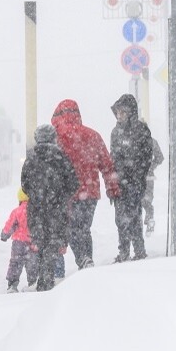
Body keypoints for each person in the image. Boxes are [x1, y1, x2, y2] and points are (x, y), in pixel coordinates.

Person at [51, 99, 120, 271]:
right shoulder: (93, 135)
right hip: (90, 192)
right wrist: (112, 189)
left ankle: (83, 259)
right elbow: (107, 165)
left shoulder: (56, 137)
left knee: (72, 228)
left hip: (67, 192)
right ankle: (87, 259)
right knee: (84, 228)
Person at [21, 124, 79, 291]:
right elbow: (73, 183)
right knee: (53, 244)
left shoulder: (30, 159)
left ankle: (41, 276)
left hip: (36, 209)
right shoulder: (61, 157)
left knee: (40, 242)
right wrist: (60, 196)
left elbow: (24, 185)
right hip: (57, 209)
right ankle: (46, 279)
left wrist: (37, 194)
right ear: (53, 138)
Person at [109, 94, 153, 262]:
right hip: (120, 182)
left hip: (134, 182)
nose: (119, 116)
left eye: (122, 112)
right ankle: (123, 250)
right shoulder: (115, 132)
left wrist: (137, 174)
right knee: (120, 218)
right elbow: (113, 155)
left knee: (134, 216)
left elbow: (146, 156)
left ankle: (139, 250)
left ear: (130, 112)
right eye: (117, 113)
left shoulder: (141, 129)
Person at [0, 188, 38, 293]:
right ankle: (33, 282)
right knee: (33, 264)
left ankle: (12, 285)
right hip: (32, 242)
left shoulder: (17, 211)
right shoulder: (36, 210)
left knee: (15, 263)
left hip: (18, 243)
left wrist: (5, 234)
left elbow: (10, 225)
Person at [142, 136, 164, 235]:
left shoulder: (132, 139)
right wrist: (151, 167)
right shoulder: (151, 141)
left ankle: (136, 226)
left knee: (135, 201)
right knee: (147, 198)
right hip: (148, 176)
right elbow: (160, 157)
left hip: (134, 177)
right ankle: (150, 217)